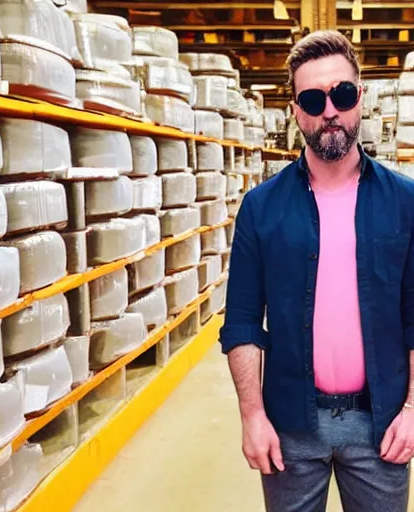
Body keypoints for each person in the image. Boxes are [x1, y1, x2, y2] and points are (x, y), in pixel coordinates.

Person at [219, 30, 414, 512]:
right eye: (313, 98)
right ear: (295, 110)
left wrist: (413, 410)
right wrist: (252, 415)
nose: (330, 110)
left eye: (342, 94)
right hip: (290, 430)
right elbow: (243, 320)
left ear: (360, 97)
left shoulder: (406, 202)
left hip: (383, 428)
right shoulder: (260, 208)